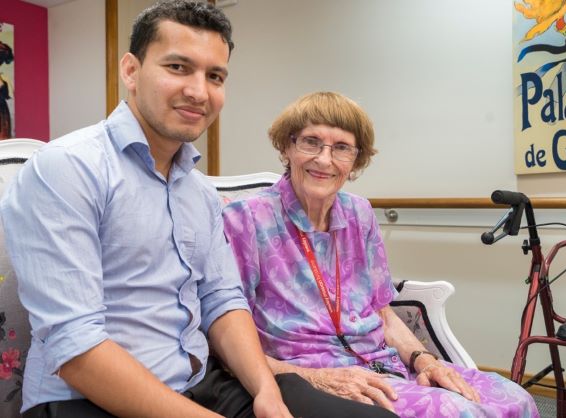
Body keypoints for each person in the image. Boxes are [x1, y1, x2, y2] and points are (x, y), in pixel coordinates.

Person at [0, 3, 396, 418]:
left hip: (201, 384)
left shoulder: (198, 190)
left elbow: (221, 298)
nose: (198, 91)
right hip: (87, 400)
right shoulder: (67, 169)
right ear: (131, 71)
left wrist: (267, 390)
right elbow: (76, 344)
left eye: (215, 76)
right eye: (177, 67)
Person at [222, 91, 540, 417]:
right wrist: (314, 377)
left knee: (516, 399)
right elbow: (226, 333)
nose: (324, 159)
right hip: (312, 376)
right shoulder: (246, 219)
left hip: (383, 365)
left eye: (341, 148)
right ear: (287, 147)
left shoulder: (360, 213)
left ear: (356, 160)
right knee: (458, 413)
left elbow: (383, 314)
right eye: (311, 142)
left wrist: (425, 360)